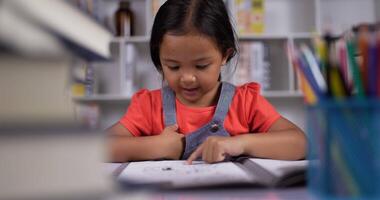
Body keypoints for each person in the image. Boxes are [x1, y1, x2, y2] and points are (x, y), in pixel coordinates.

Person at [108, 0, 306, 164]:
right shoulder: (149, 106)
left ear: (224, 56)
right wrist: (159, 146)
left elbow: (300, 143)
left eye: (201, 66)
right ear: (158, 58)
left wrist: (240, 143)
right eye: (173, 67)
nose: (187, 78)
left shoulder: (245, 103)